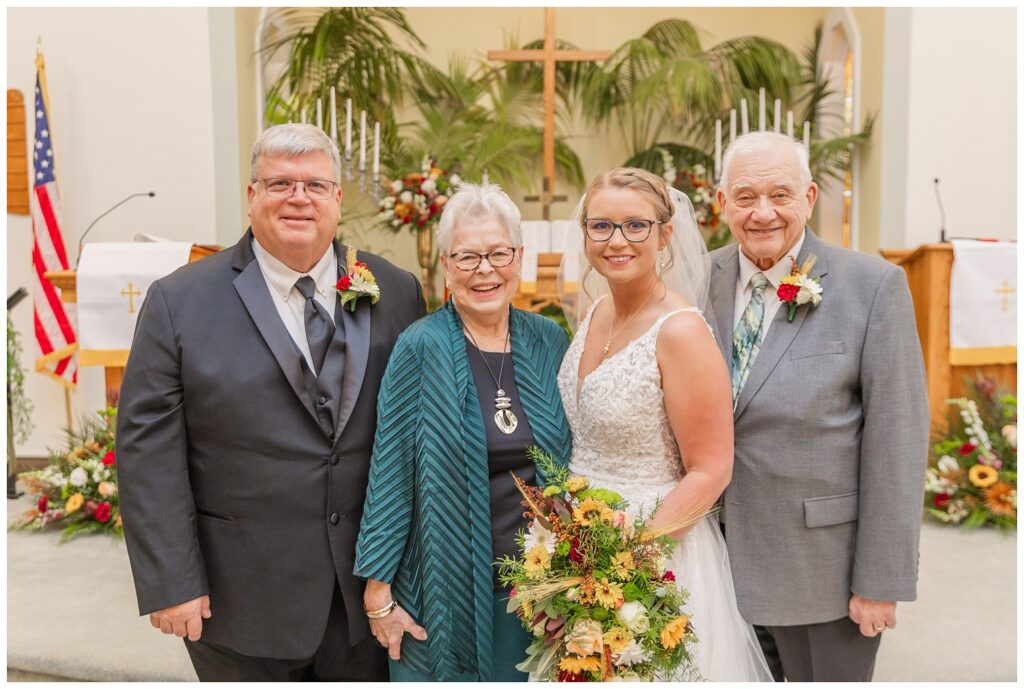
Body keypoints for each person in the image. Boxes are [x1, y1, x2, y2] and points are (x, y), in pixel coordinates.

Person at [116, 123, 426, 681]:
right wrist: (172, 582)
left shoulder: (396, 289)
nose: (298, 198)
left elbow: (419, 433)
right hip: (241, 600)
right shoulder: (179, 301)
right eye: (280, 183)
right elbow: (148, 454)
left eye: (314, 184)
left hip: (370, 594)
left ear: (337, 198)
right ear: (252, 195)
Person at [709, 131, 929, 682]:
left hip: (822, 570)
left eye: (780, 195)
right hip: (710, 566)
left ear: (808, 198)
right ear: (721, 204)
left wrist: (879, 579)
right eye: (745, 196)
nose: (763, 213)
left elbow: (897, 442)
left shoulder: (872, 286)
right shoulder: (694, 279)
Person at [556, 167, 773, 681]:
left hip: (654, 550)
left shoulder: (680, 332)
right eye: (601, 226)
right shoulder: (594, 310)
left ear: (664, 234)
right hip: (581, 543)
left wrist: (630, 555)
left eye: (636, 225)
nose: (617, 241)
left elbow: (711, 469)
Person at [354, 183, 572, 682]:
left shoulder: (547, 340)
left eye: (498, 253)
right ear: (447, 267)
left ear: (519, 258)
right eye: (468, 256)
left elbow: (571, 466)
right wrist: (378, 591)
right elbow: (390, 471)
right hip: (442, 587)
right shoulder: (421, 346)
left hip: (543, 595)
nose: (485, 270)